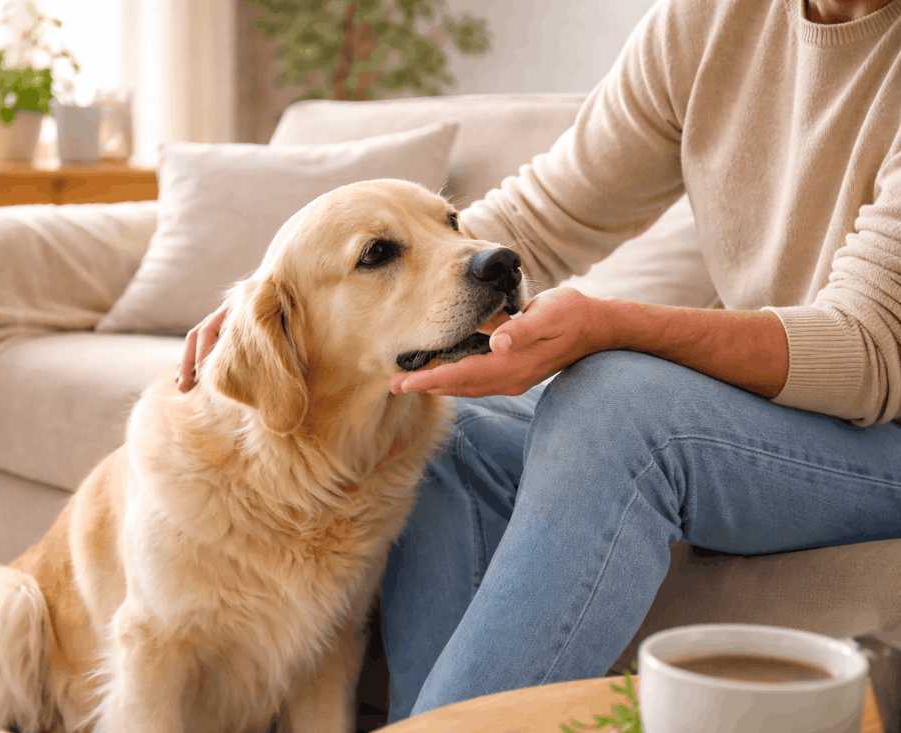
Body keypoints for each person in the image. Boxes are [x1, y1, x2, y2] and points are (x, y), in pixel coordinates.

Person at [177, 0, 901, 720]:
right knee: (434, 419)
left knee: (622, 403)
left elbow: (867, 350)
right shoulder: (709, 20)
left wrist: (613, 325)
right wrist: (284, 309)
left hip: (883, 431)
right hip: (770, 415)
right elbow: (543, 216)